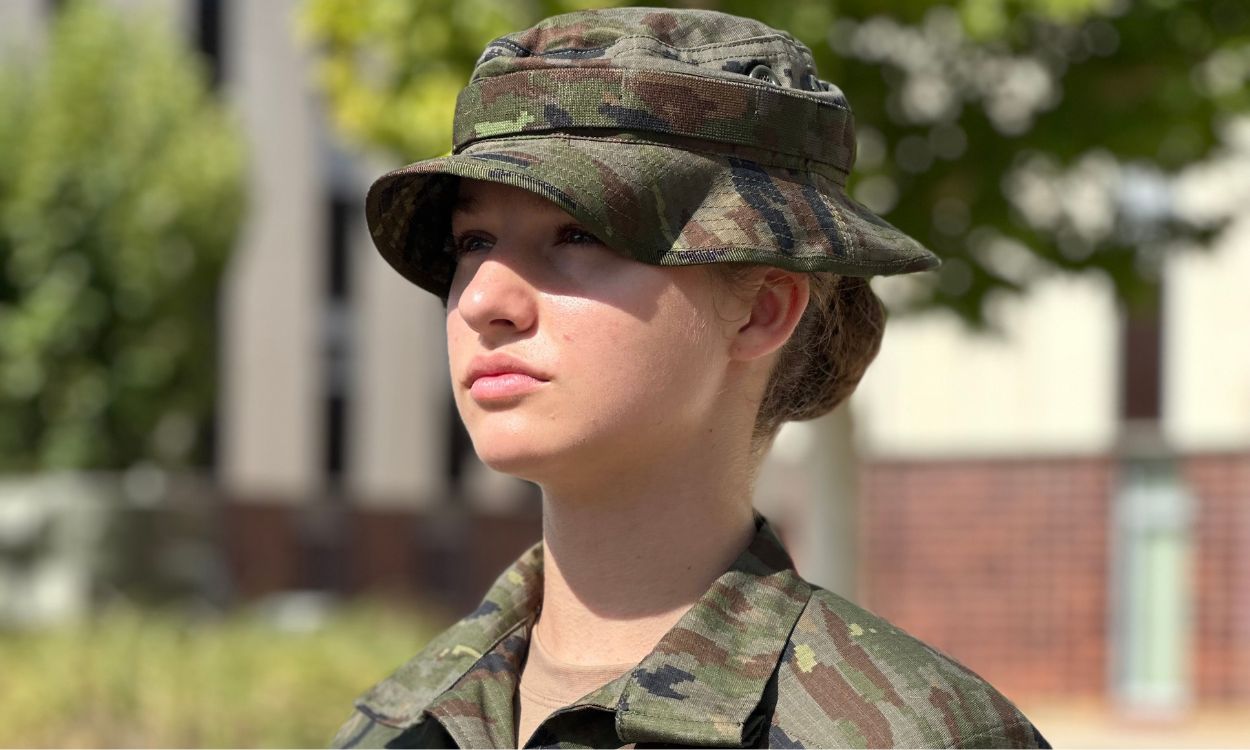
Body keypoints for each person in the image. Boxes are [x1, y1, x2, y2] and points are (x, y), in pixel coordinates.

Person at [331, 7, 1050, 749]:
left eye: (579, 233)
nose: (482, 300)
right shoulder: (393, 728)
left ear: (762, 311)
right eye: (472, 242)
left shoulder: (916, 736)